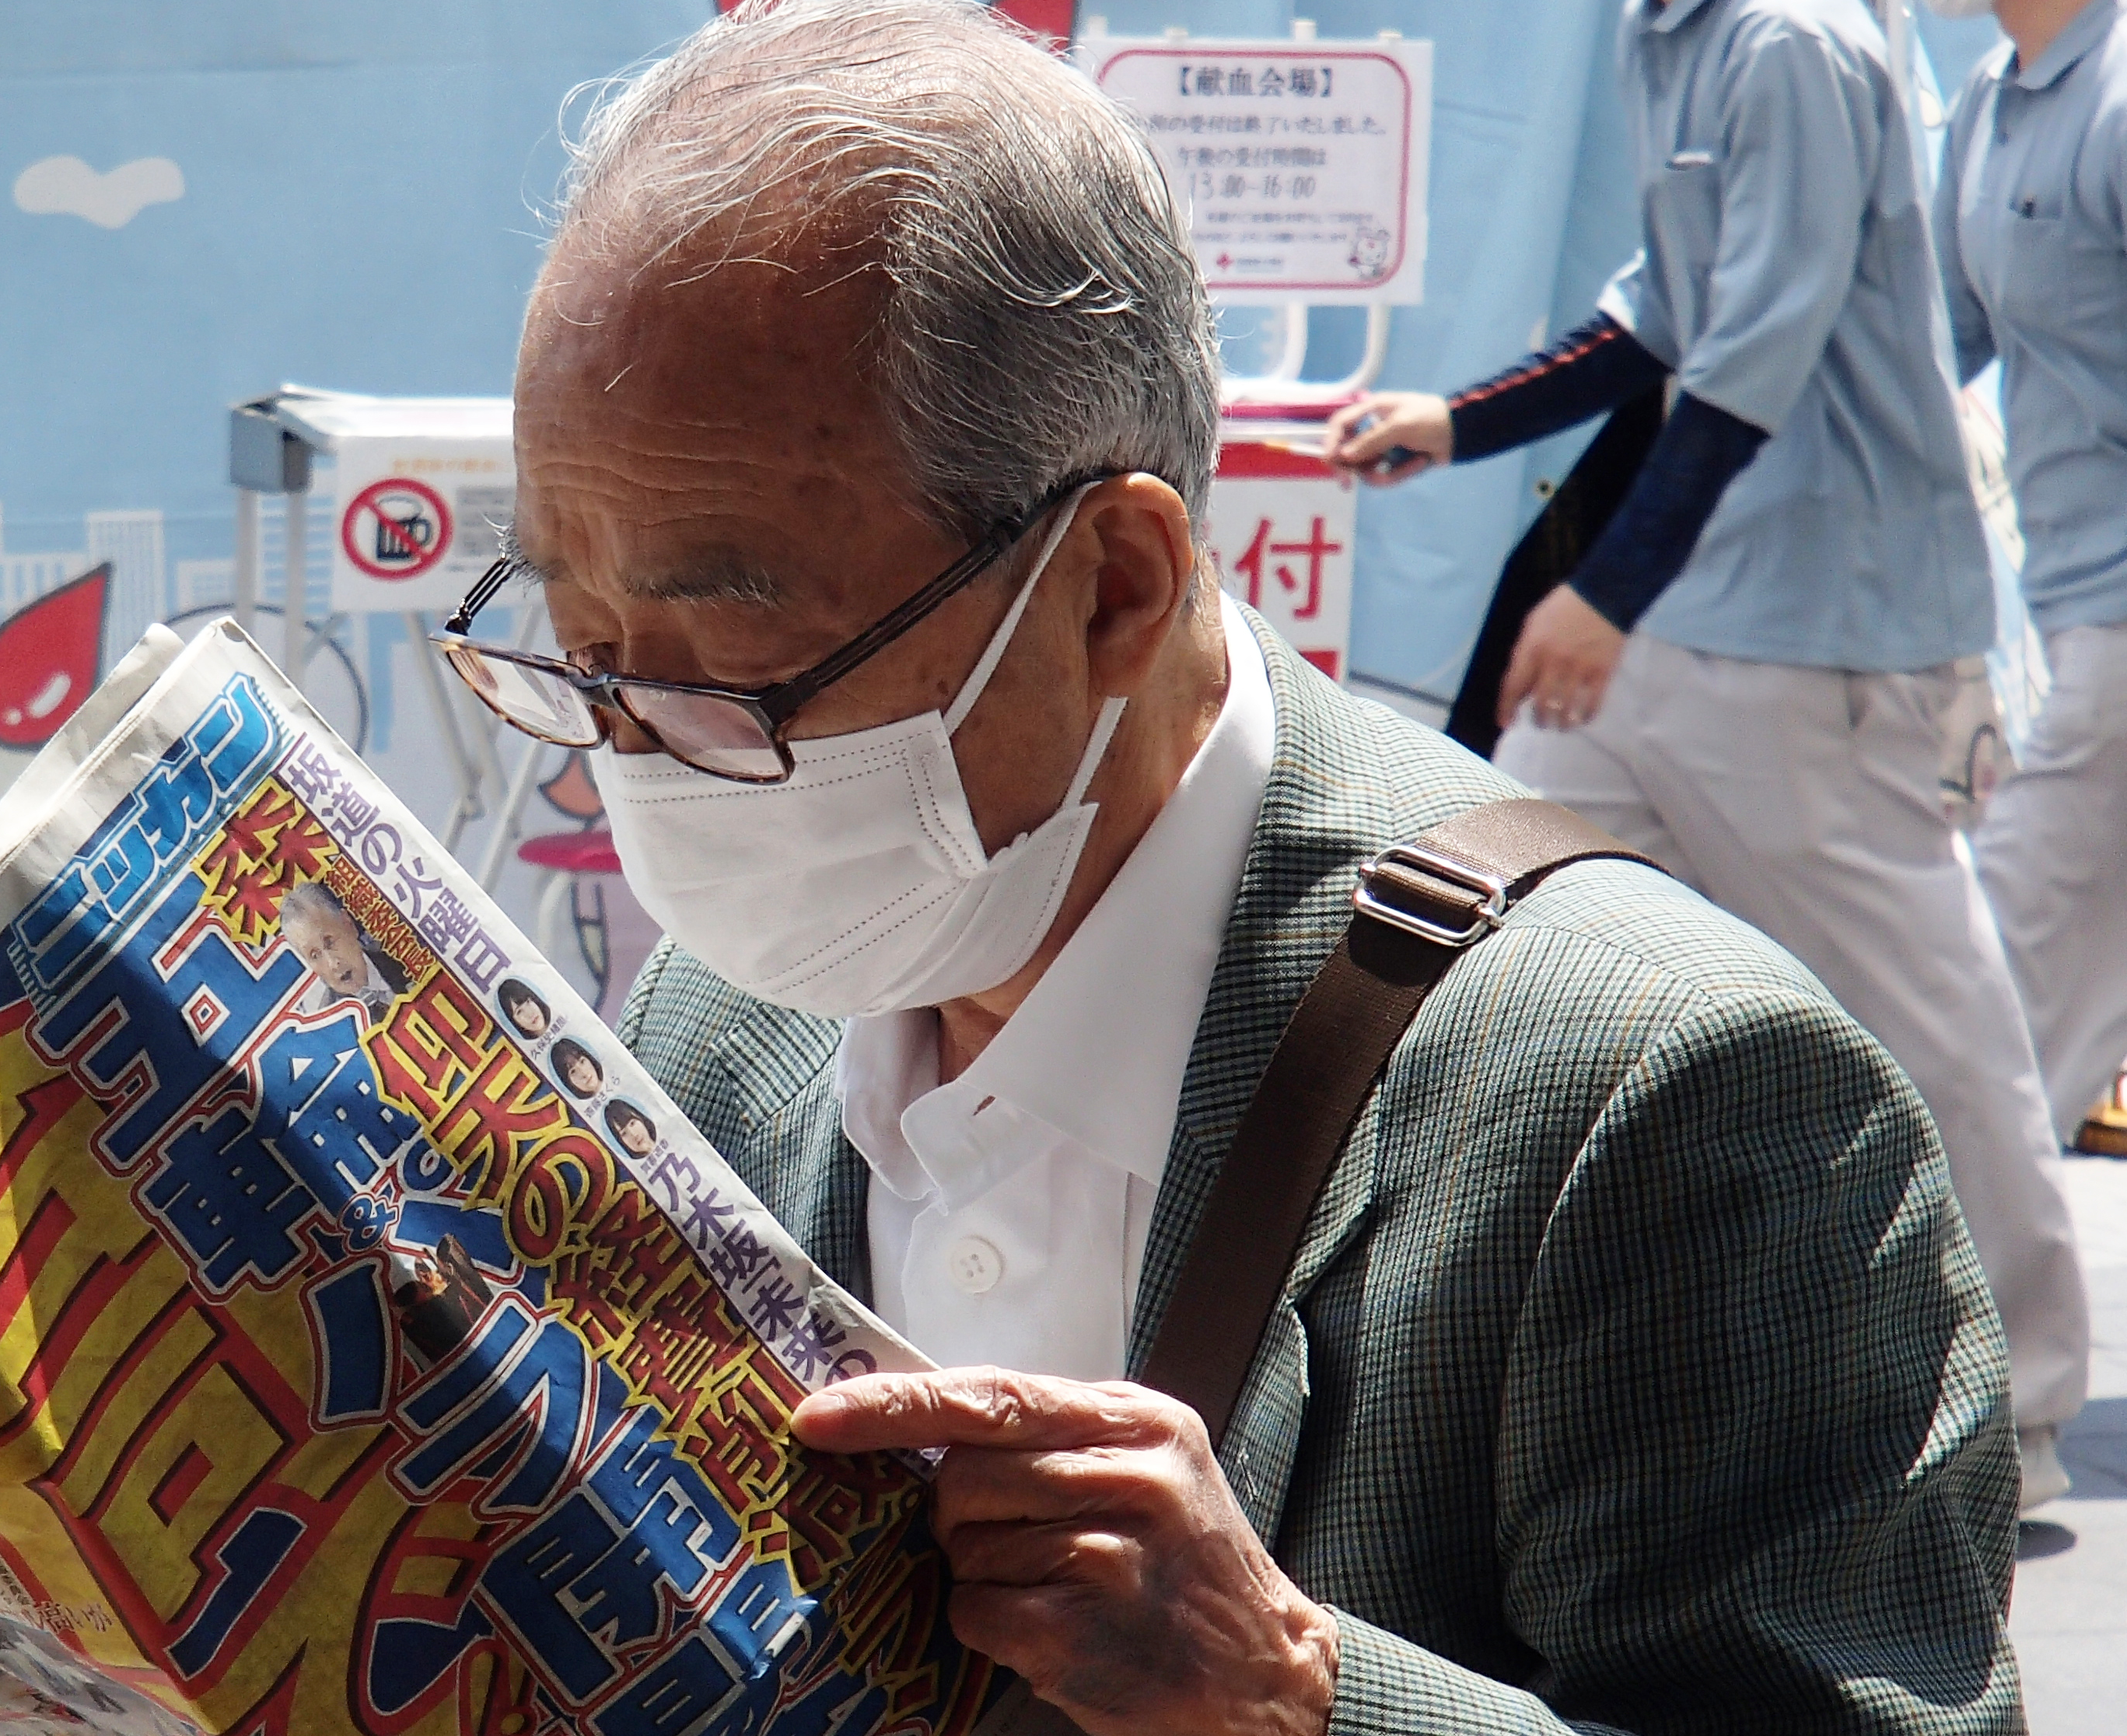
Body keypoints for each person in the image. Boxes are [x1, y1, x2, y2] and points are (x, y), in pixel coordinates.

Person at [439, 2, 2020, 1728]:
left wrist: (1297, 1695)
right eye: (577, 659)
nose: (642, 768)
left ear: (1114, 583)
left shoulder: (1662, 1101)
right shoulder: (718, 1024)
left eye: (726, 675)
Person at [1324, 0, 2090, 1507]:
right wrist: (1456, 423)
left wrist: (1601, 591)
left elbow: (1763, 334)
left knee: (1927, 1016)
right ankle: (1543, 1348)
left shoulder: (1789, 40)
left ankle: (2024, 1401)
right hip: (1694, 612)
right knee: (1529, 932)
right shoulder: (1657, 29)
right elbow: (1658, 309)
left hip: (1830, 621)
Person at [1935, 0, 2127, 1166]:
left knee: (1988, 1021)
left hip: (2119, 649)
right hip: (2078, 618)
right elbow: (1927, 352)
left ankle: (1943, 1330)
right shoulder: (1987, 101)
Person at [278, 880, 406, 1017]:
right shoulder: (330, 1026)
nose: (333, 963)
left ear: (348, 924)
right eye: (314, 956)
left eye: (330, 942)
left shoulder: (403, 956)